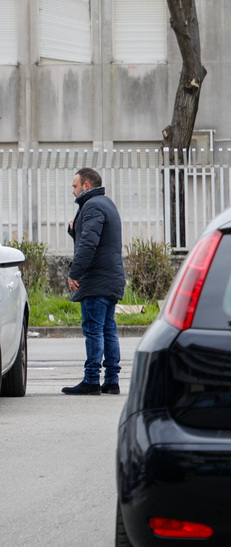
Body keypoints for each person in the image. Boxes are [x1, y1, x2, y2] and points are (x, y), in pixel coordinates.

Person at [63, 167, 126, 395]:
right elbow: (93, 238)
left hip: (96, 279)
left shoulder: (91, 206)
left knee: (93, 330)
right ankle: (111, 380)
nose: (73, 191)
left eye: (75, 186)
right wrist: (74, 229)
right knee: (108, 329)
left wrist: (74, 273)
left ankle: (91, 380)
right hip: (110, 278)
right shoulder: (105, 203)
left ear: (86, 185)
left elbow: (89, 245)